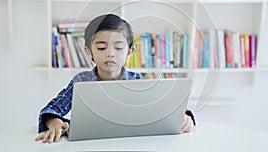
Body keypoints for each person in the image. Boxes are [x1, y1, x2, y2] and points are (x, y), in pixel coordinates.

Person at [35, 14, 195, 143]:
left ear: (130, 52)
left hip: (130, 145)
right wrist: (54, 122)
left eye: (118, 47)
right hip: (89, 146)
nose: (110, 53)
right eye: (101, 47)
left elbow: (165, 109)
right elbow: (51, 110)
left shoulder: (138, 82)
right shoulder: (81, 81)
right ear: (89, 51)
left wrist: (184, 117)